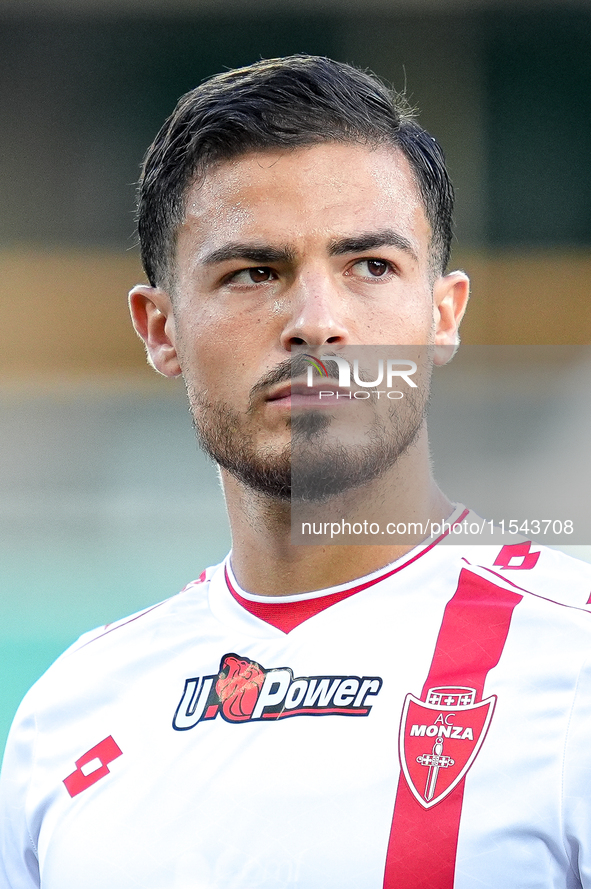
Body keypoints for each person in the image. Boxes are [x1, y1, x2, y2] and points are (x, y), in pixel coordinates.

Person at [1, 54, 591, 889]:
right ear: (160, 328)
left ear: (442, 314)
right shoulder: (69, 714)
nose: (317, 323)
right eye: (254, 272)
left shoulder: (571, 668)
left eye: (369, 266)